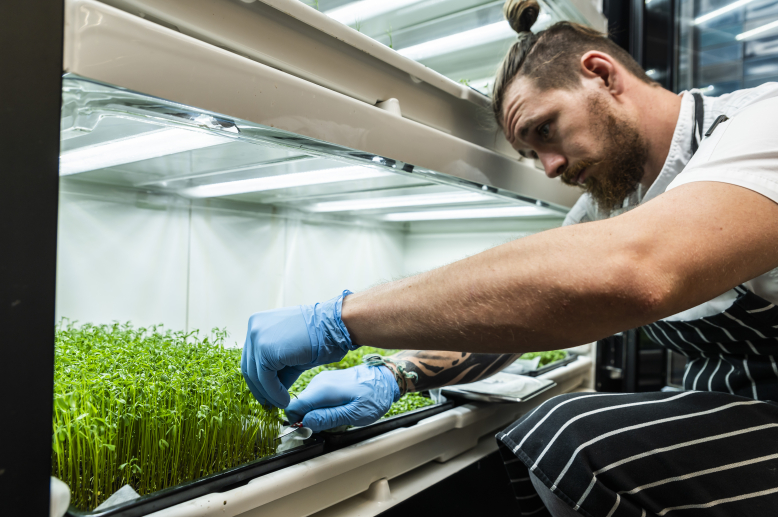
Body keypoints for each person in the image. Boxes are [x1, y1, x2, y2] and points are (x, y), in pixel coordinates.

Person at [240, 0, 778, 514]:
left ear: (601, 74)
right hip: (729, 409)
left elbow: (637, 270)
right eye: (532, 152)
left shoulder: (761, 122)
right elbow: (517, 318)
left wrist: (343, 319)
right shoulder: (605, 207)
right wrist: (391, 373)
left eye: (545, 130)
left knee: (571, 435)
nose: (550, 167)